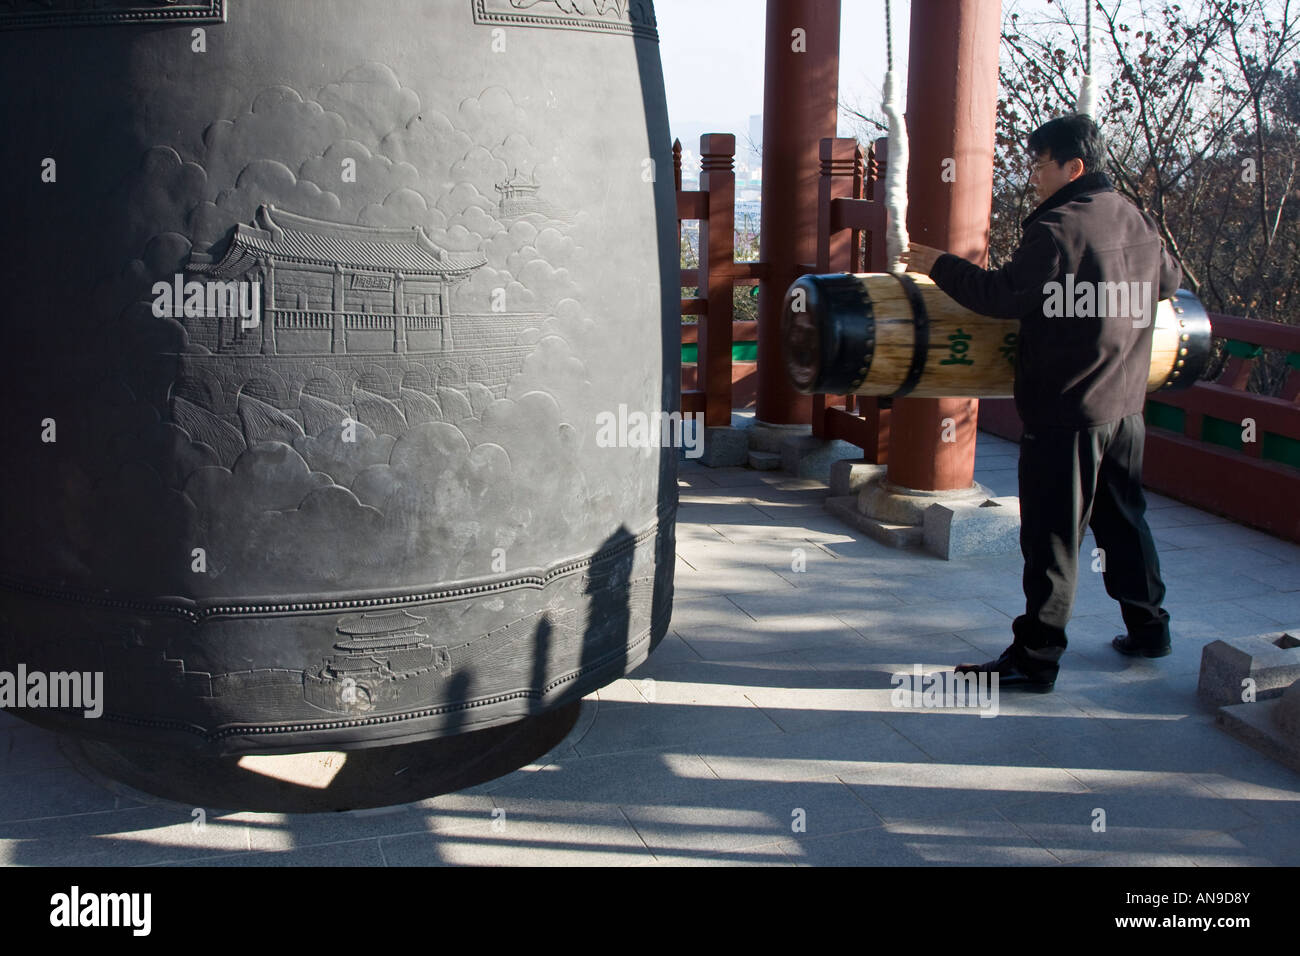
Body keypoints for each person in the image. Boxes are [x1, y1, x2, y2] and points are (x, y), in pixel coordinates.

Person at [899, 114, 1181, 693]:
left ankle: (1035, 657)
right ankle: (1150, 628)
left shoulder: (1057, 229)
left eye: (1038, 164)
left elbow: (1000, 295)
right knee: (1124, 521)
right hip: (1125, 408)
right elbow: (1169, 282)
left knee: (1052, 538)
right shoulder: (1135, 217)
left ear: (1071, 167)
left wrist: (936, 264)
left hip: (1067, 412)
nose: (1031, 176)